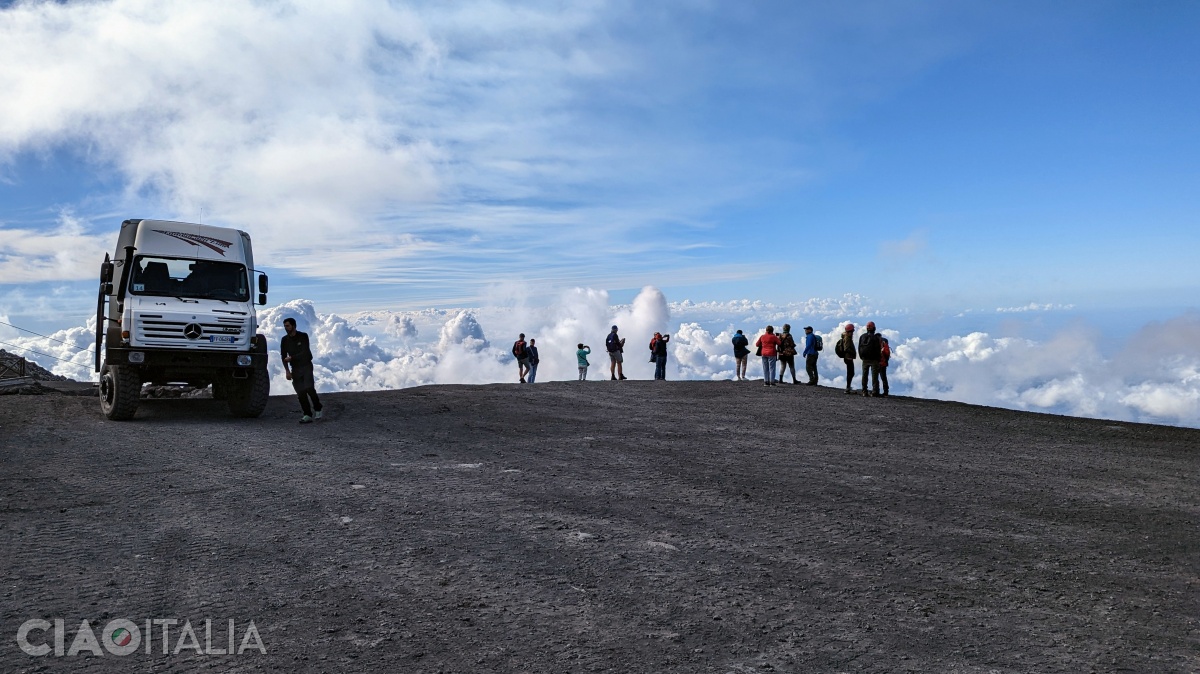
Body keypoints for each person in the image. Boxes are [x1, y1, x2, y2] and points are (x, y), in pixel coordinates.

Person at [280, 317, 323, 423]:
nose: (286, 328)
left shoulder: (303, 336)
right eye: (285, 326)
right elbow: (283, 356)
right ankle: (307, 414)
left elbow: (306, 352)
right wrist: (287, 371)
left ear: (293, 326)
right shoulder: (284, 340)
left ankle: (318, 408)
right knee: (300, 392)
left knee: (309, 388)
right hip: (295, 368)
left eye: (288, 326)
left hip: (306, 365)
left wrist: (292, 358)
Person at [858, 321, 883, 397]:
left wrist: (861, 357)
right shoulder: (875, 338)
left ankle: (864, 391)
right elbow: (878, 349)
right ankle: (875, 392)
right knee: (874, 376)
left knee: (864, 375)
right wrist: (879, 359)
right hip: (874, 360)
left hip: (865, 359)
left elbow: (859, 348)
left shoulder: (862, 336)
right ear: (874, 328)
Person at [835, 323, 857, 394]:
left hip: (847, 357)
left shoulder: (846, 337)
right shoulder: (847, 338)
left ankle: (848, 387)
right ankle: (848, 388)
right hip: (848, 357)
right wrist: (853, 353)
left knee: (850, 372)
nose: (853, 333)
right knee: (851, 372)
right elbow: (846, 348)